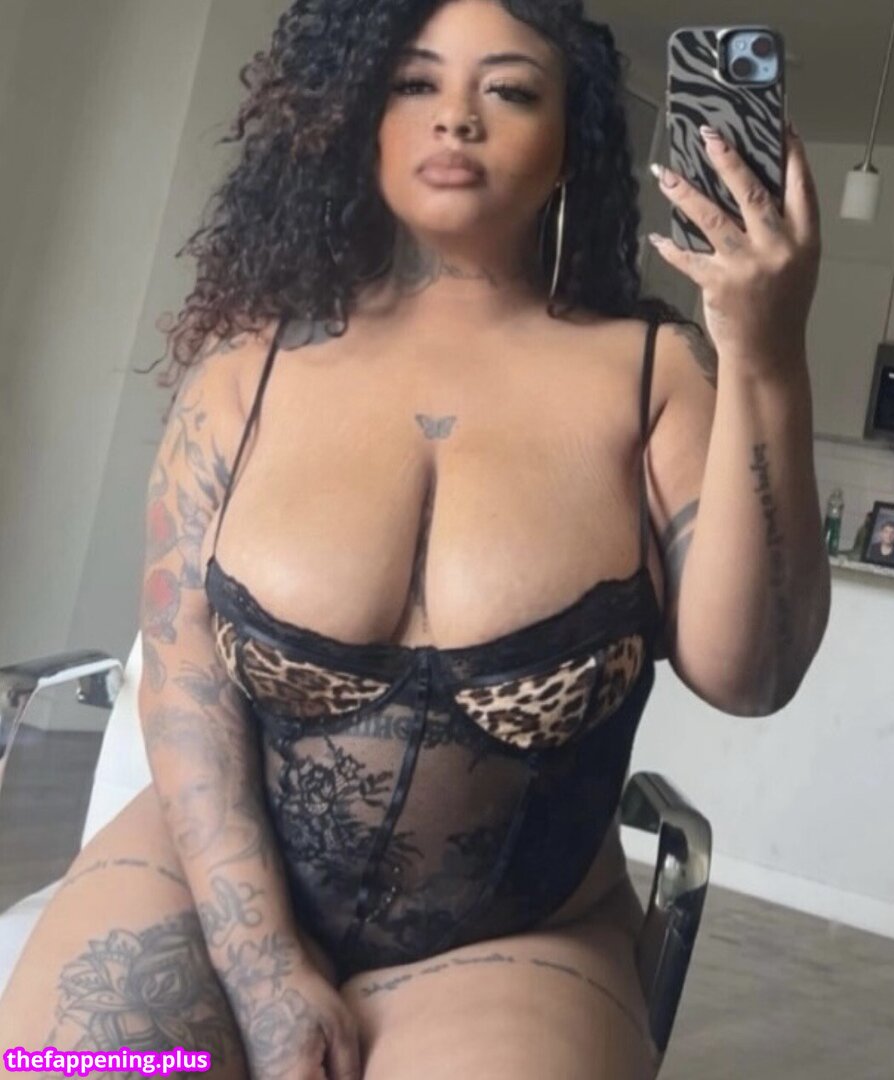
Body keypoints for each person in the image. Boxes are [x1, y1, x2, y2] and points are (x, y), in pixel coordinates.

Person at [0, 1, 829, 1077]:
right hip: (215, 887)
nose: (457, 118)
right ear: (359, 117)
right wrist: (261, 967)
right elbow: (185, 680)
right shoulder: (243, 376)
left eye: (510, 89)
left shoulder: (657, 376)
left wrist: (767, 354)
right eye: (415, 82)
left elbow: (750, 676)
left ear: (570, 142)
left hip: (517, 938)